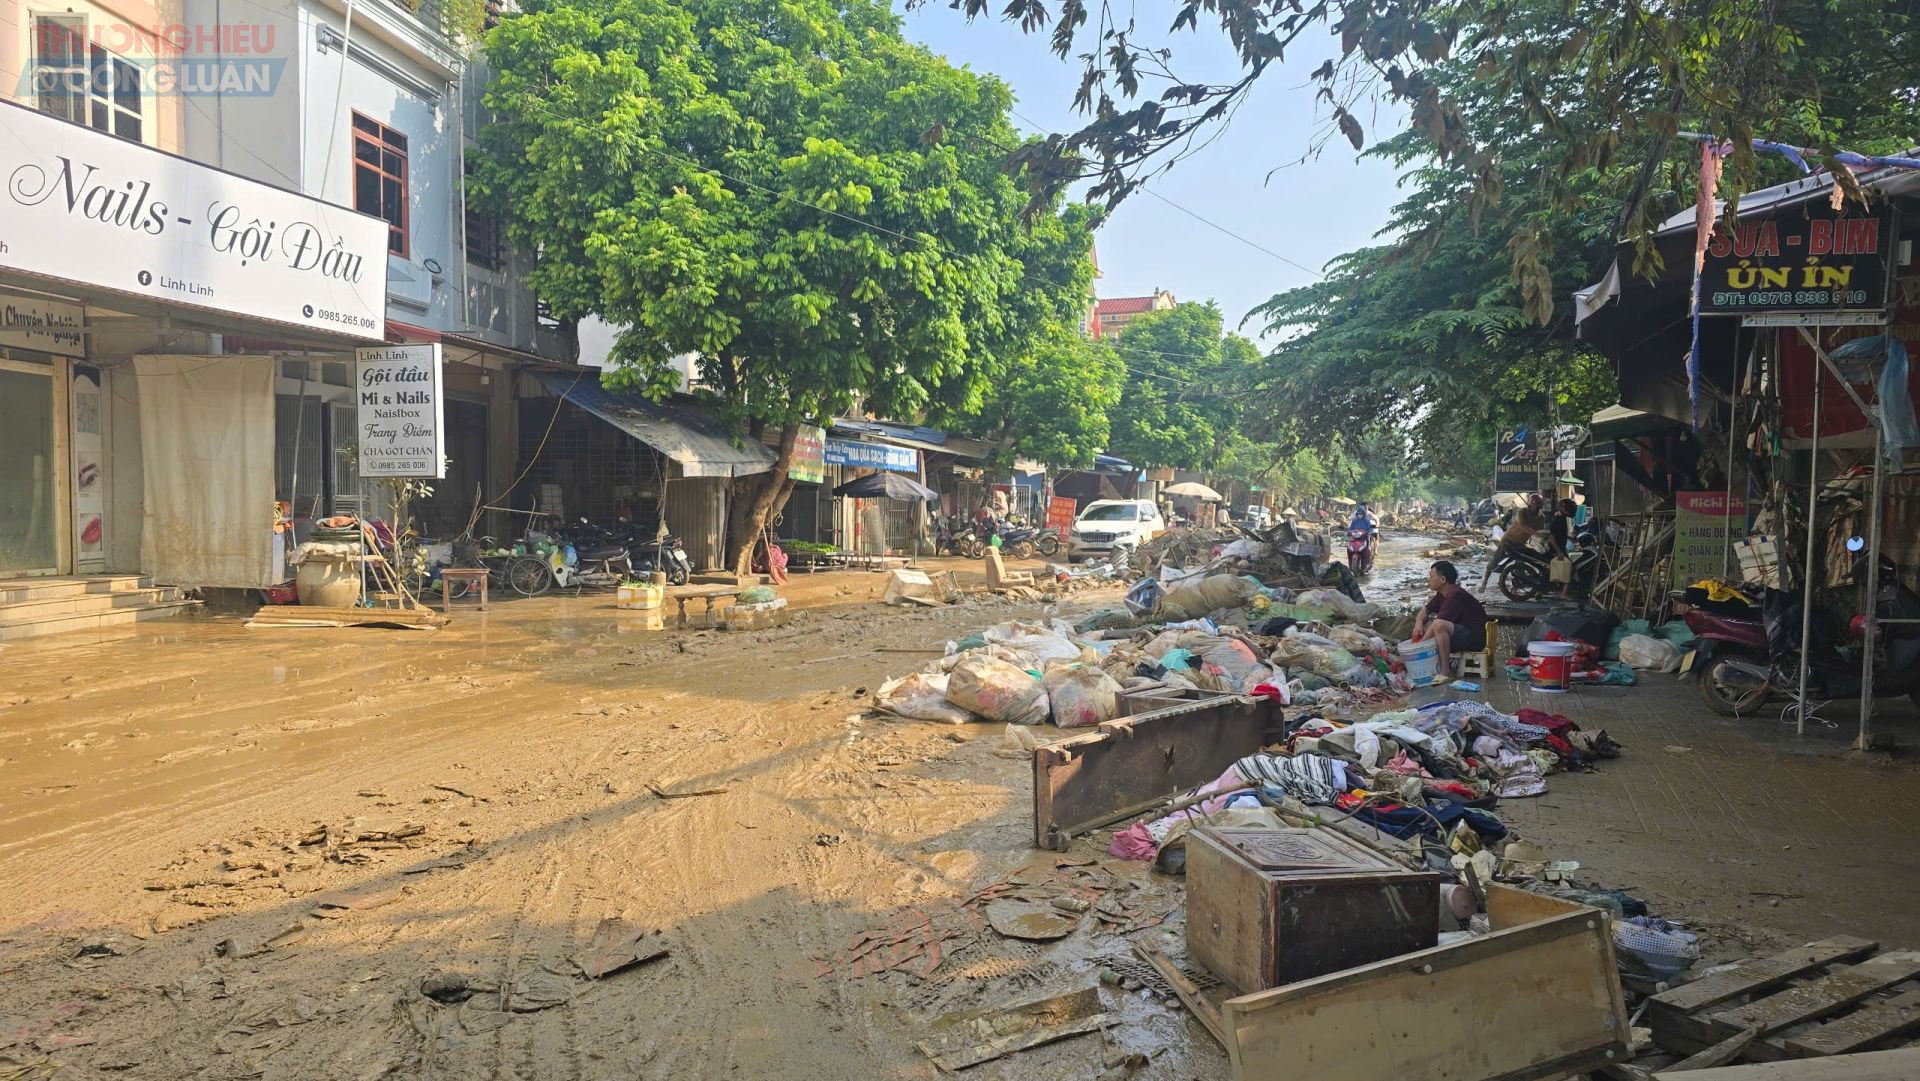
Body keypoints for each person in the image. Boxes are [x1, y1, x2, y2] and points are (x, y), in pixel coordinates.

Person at [1414, 560, 1489, 679]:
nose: (1429, 579)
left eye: (1431, 576)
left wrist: (1418, 649)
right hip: (1462, 633)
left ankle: (1445, 670)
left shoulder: (1455, 594)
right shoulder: (1442, 594)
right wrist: (1418, 623)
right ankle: (1433, 663)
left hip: (1474, 638)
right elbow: (1425, 610)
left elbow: (1437, 625)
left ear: (1443, 579)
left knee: (1438, 625)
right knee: (1427, 624)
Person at [1481, 492, 1547, 588]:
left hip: (1521, 544)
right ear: (1529, 504)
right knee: (1495, 562)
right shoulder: (1522, 512)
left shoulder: (1541, 517)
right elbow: (1523, 526)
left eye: (1538, 505)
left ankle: (1518, 586)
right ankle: (1484, 583)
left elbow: (1540, 531)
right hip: (1509, 540)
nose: (1536, 508)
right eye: (1534, 505)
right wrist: (1536, 533)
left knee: (1522, 564)